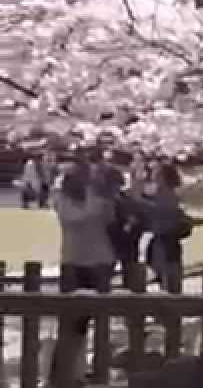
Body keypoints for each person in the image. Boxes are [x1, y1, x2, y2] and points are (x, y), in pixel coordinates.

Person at [49, 162, 116, 385]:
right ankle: (68, 372)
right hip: (74, 263)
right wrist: (92, 195)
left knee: (100, 320)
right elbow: (76, 218)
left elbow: (108, 217)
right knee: (71, 322)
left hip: (100, 262)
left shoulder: (97, 198)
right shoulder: (62, 200)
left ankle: (96, 371)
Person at [143, 164, 191, 292]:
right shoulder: (168, 196)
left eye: (157, 175)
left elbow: (160, 219)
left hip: (164, 241)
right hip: (165, 242)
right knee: (168, 274)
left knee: (168, 276)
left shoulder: (165, 197)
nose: (154, 178)